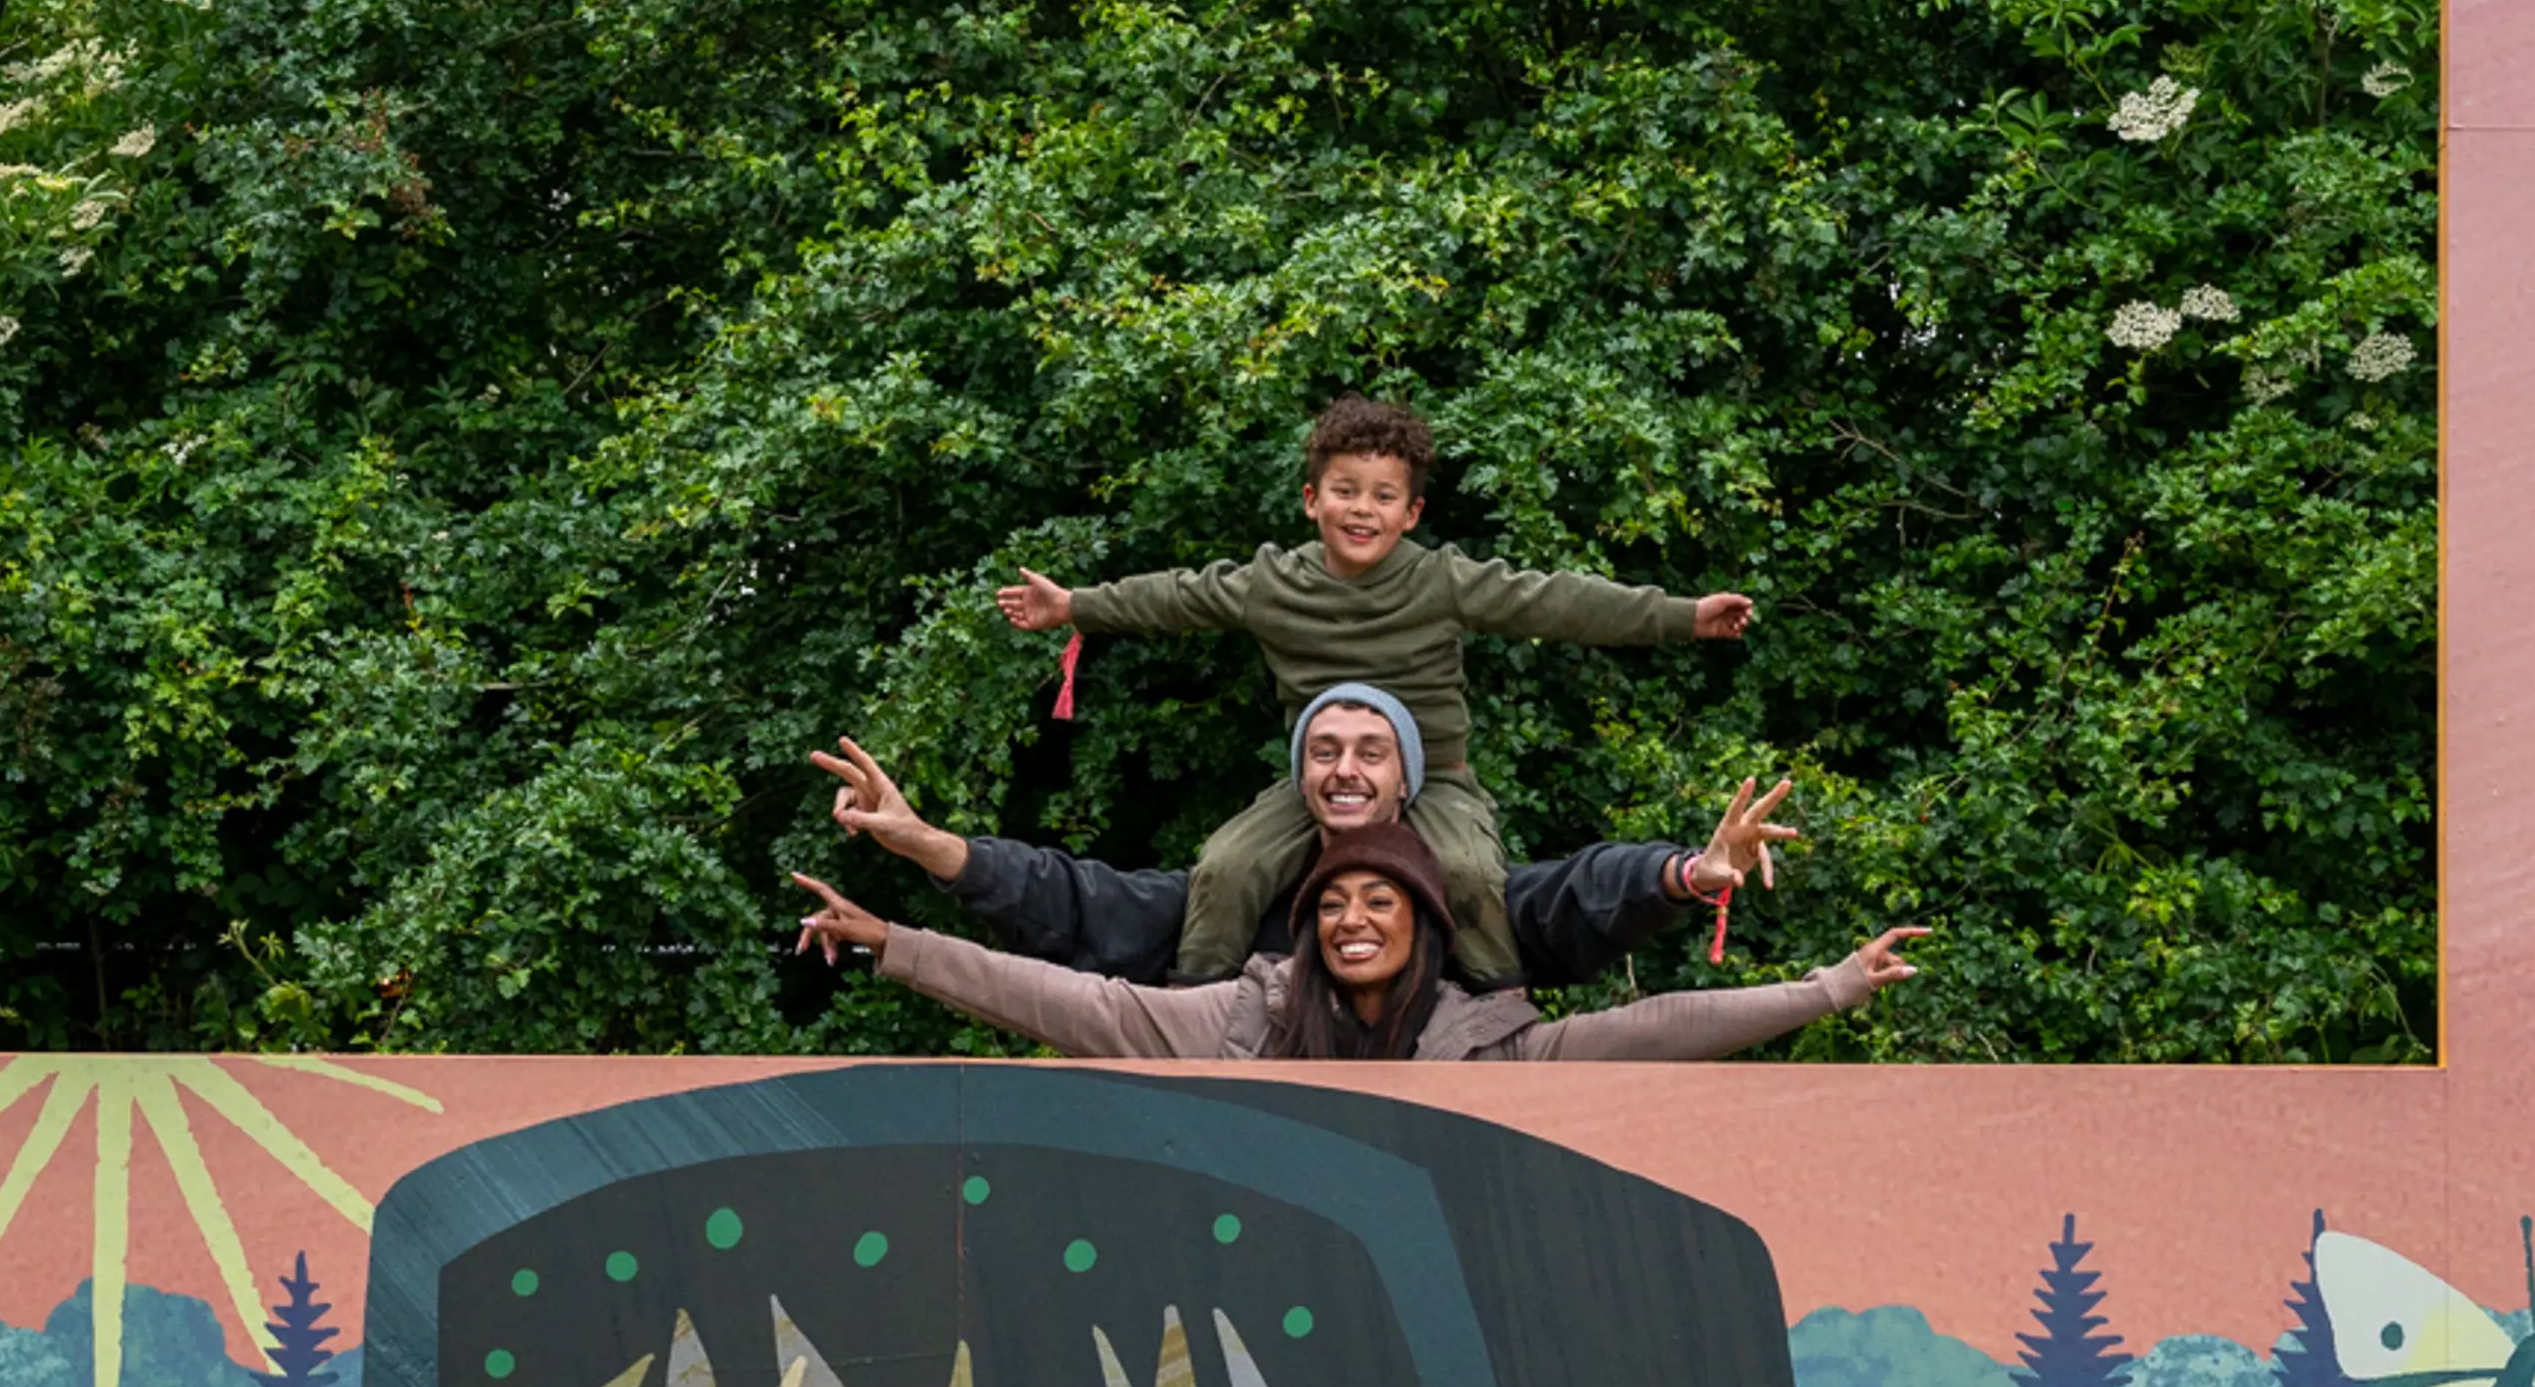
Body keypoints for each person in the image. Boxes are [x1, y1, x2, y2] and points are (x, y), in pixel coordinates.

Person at [994, 394, 1752, 984]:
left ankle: (1498, 1007)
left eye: (1384, 496)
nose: (1363, 510)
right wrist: (1075, 606)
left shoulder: (1439, 579)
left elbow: (1557, 602)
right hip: (1320, 783)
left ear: (1412, 511)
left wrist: (1683, 617)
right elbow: (1175, 597)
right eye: (1346, 491)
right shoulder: (1273, 583)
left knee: (1467, 874)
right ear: (1310, 499)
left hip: (1436, 784)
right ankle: (1200, 1023)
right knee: (1224, 869)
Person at [807, 689, 1796, 992]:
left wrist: (1690, 872)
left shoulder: (1468, 896)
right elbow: (1077, 905)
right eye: (1324, 750)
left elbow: (1576, 894)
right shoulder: (1245, 907)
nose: (1346, 767)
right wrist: (935, 846)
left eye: (1371, 750)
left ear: (1409, 779)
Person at [789, 819, 1917, 1062]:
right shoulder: (1247, 1011)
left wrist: (1822, 987)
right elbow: (1062, 999)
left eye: (1383, 902)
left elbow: (1652, 1026)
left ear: (1425, 924)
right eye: (1334, 902)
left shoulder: (1485, 1042)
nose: (1354, 918)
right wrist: (897, 940)